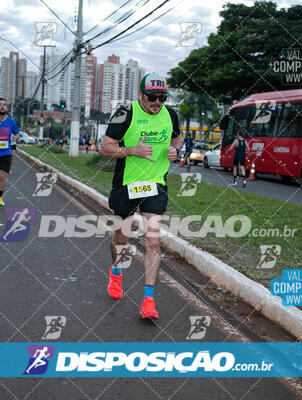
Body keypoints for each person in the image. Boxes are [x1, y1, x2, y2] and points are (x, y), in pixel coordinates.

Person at [99, 73, 182, 320]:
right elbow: (104, 147)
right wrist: (132, 150)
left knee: (153, 241)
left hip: (156, 184)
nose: (157, 102)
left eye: (162, 98)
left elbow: (178, 137)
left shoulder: (172, 115)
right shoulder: (126, 113)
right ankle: (116, 274)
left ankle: (148, 300)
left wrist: (175, 149)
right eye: (152, 97)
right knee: (122, 237)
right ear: (139, 94)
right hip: (127, 185)